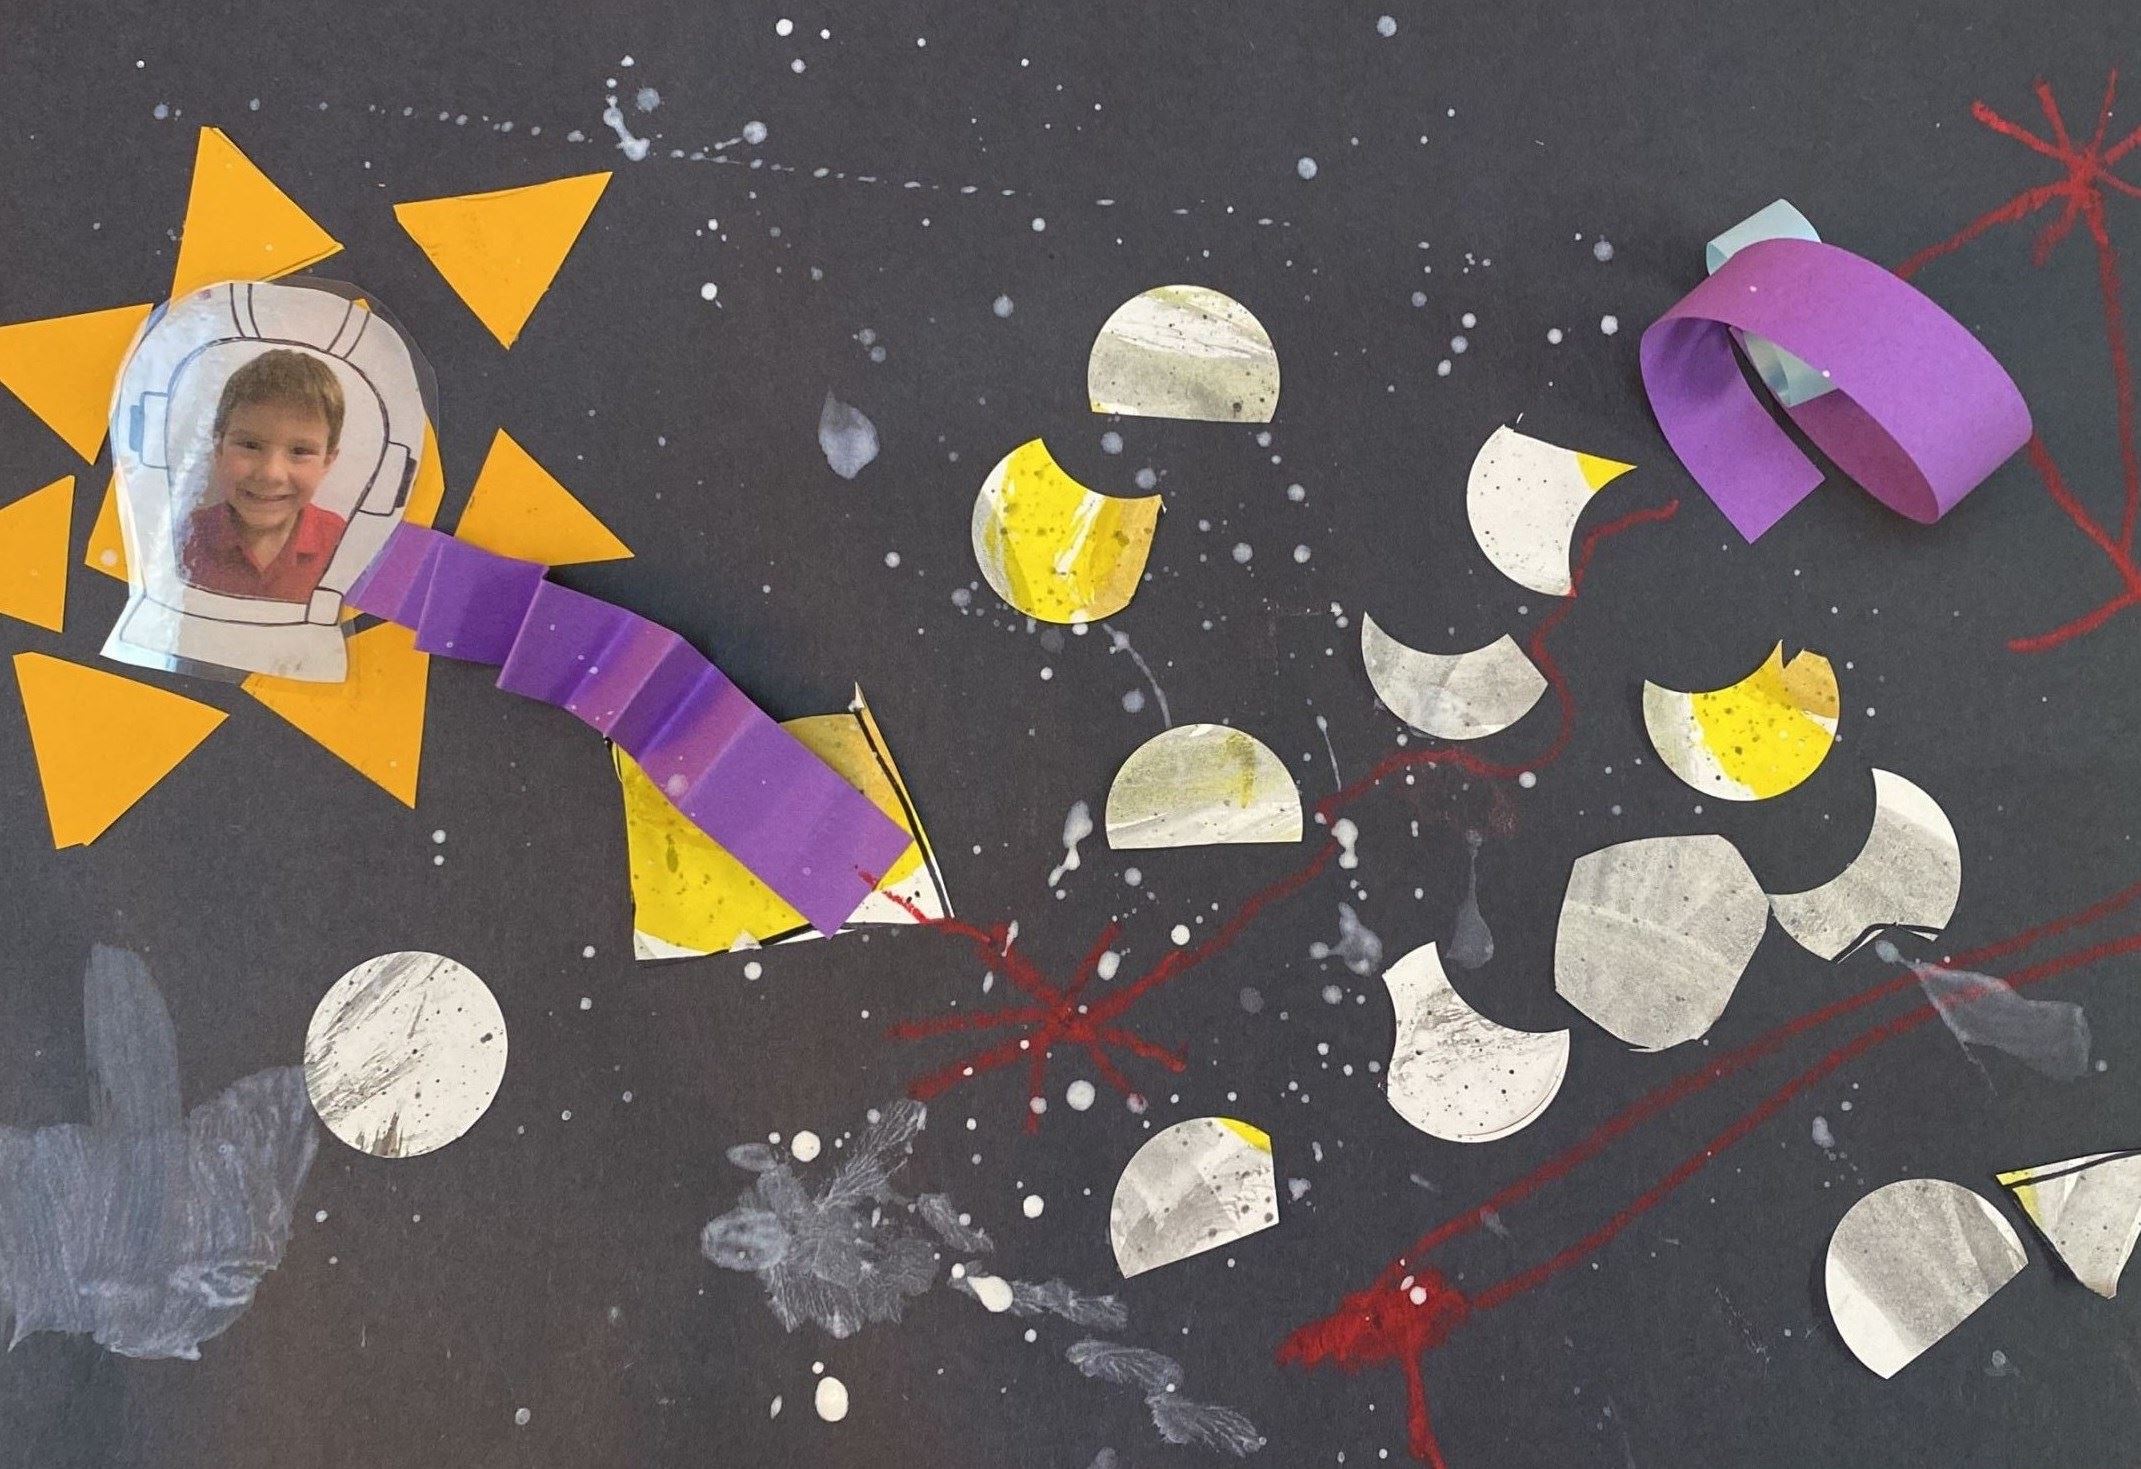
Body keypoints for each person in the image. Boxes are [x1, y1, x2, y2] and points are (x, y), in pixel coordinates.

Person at [177, 349, 349, 601]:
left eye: (300, 451)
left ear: (327, 461)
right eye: (250, 445)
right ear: (219, 448)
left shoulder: (347, 546)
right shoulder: (180, 541)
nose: (271, 474)